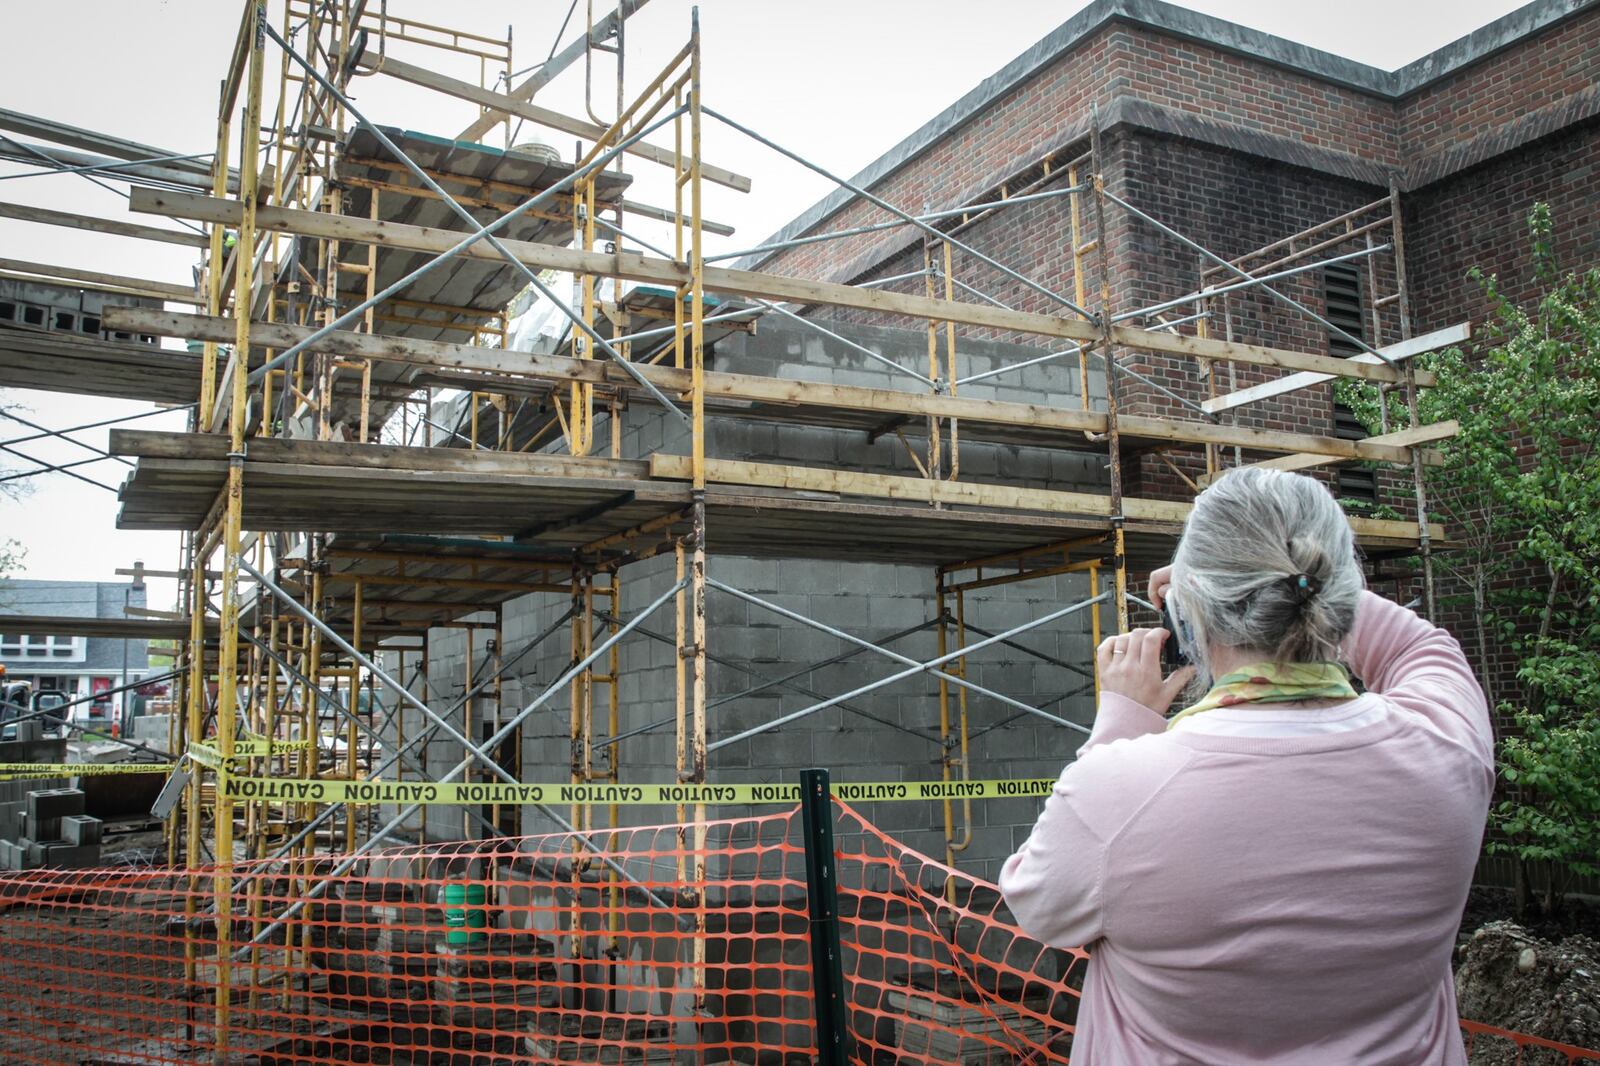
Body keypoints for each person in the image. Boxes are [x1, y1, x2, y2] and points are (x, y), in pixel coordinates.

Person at [999, 467, 1493, 1065]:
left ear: (1192, 609)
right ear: (1333, 589)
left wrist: (1122, 721)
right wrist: (1292, 583)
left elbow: (1037, 904)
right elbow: (1421, 648)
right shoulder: (1445, 746)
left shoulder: (1119, 788)